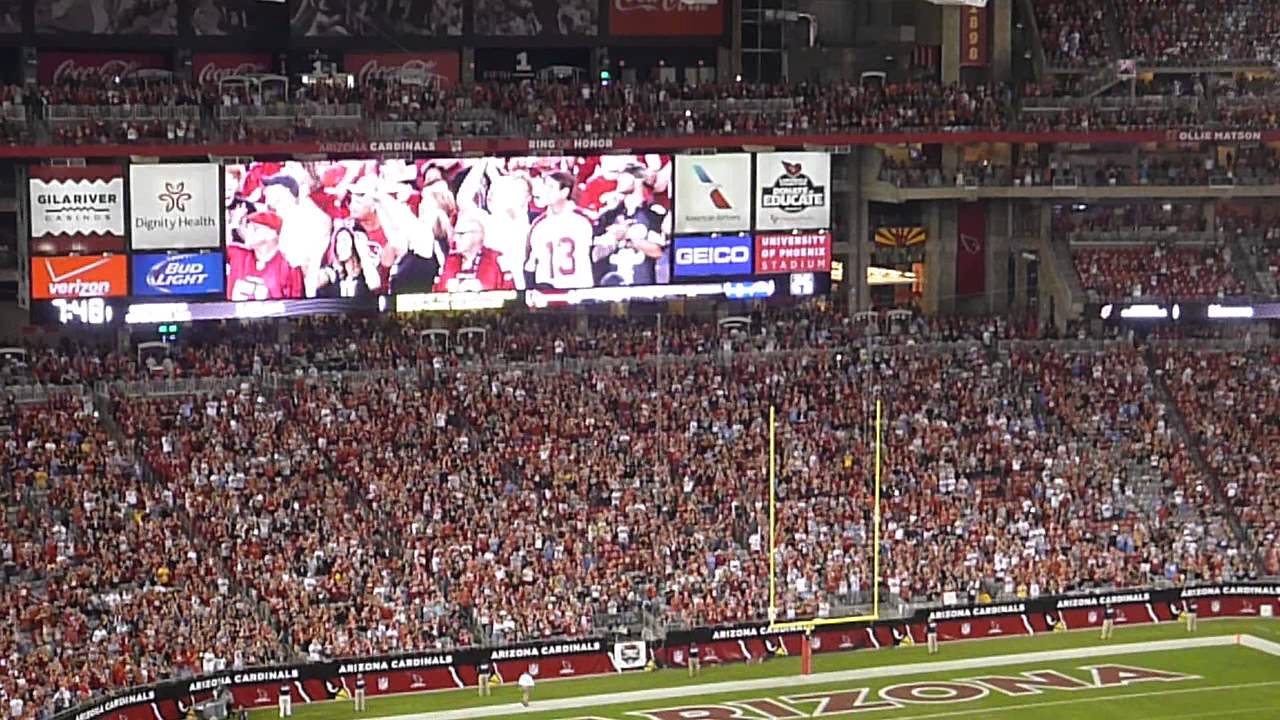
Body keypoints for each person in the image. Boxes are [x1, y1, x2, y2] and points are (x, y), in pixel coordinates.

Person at [526, 171, 595, 289]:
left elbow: (596, 256)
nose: (545, 191)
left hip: (578, 292)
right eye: (544, 187)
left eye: (550, 187)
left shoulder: (584, 220)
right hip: (546, 295)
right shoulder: (538, 225)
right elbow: (530, 265)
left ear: (564, 192)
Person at [227, 211, 305, 301]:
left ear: (270, 235)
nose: (248, 232)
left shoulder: (289, 267)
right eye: (248, 227)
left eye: (255, 229)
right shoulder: (237, 254)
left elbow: (296, 308)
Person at [434, 212, 515, 293]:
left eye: (461, 234)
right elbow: (437, 293)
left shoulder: (496, 260)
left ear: (477, 236)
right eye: (455, 234)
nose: (455, 239)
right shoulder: (449, 261)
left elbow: (509, 295)